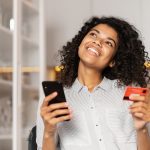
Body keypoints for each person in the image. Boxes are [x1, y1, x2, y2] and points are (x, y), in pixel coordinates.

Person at [36, 16, 150, 150]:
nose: (97, 42)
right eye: (93, 34)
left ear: (113, 61)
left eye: (109, 43)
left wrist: (142, 129)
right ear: (80, 43)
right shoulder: (54, 97)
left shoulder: (132, 92)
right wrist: (49, 132)